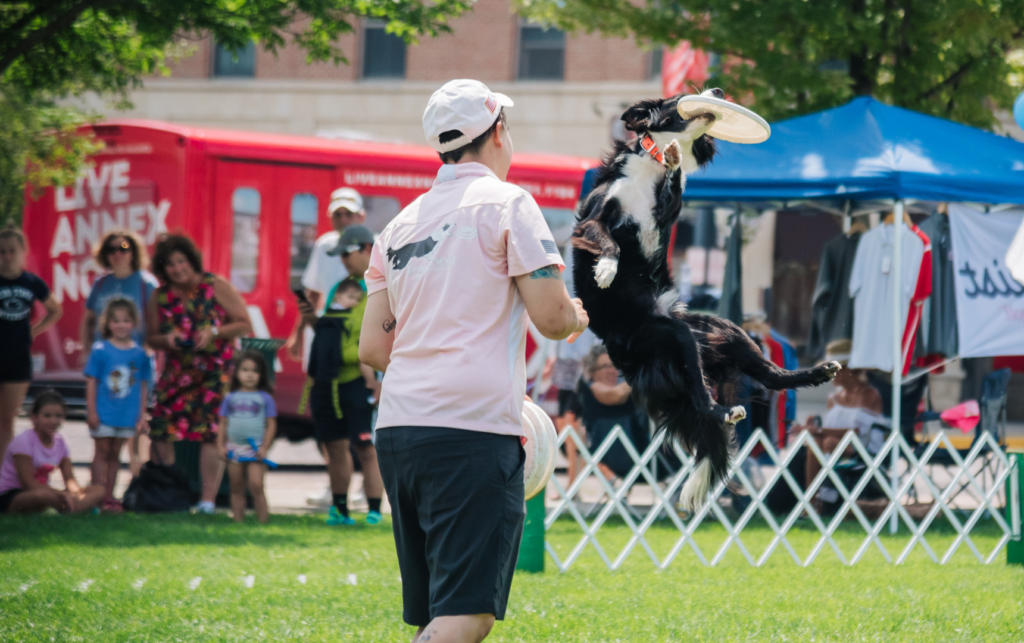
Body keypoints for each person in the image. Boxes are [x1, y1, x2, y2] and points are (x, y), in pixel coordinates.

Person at [359, 79, 588, 643]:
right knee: (468, 613)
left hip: (399, 430)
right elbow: (554, 320)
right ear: (498, 132)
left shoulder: (397, 226)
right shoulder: (510, 204)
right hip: (471, 429)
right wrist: (579, 314)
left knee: (437, 609)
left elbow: (373, 349)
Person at [146, 233, 253, 514]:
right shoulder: (160, 295)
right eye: (170, 264)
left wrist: (214, 331)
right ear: (162, 269)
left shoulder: (215, 285)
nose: (177, 268)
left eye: (181, 261)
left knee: (210, 434)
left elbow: (244, 323)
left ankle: (207, 501)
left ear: (191, 260)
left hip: (215, 374)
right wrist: (167, 339)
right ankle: (170, 494)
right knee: (161, 430)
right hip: (176, 373)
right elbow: (151, 337)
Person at [299, 226, 384, 526]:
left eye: (346, 254)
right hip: (330, 381)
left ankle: (375, 512)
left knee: (366, 448)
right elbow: (329, 330)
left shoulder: (385, 284)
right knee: (334, 447)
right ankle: (340, 510)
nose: (344, 261)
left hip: (362, 382)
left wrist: (382, 380)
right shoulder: (340, 286)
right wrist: (309, 319)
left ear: (365, 248)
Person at [0, 227, 62, 463]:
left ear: (22, 251)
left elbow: (55, 309)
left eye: (12, 251)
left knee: (7, 419)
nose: (7, 256)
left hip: (18, 358)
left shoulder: (31, 282)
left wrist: (33, 330)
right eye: (2, 252)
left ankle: (2, 471)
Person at [83, 298, 151, 512]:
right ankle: (95, 497)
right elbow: (91, 382)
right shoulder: (100, 349)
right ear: (107, 323)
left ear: (134, 323)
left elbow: (142, 385)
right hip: (103, 413)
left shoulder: (140, 354)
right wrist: (92, 411)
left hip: (126, 415)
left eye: (126, 320)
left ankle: (109, 497)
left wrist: (142, 415)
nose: (121, 325)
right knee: (101, 453)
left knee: (115, 455)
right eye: (116, 320)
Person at [287, 187, 366, 362]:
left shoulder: (375, 247)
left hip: (360, 335)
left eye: (349, 214)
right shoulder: (324, 246)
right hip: (329, 332)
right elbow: (312, 295)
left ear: (361, 217)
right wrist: (298, 333)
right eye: (338, 214)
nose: (343, 219)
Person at [0, 391, 104, 514]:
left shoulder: (62, 441)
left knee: (99, 489)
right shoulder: (23, 441)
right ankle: (75, 508)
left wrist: (75, 492)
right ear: (34, 417)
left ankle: (69, 507)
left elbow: (69, 478)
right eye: (47, 416)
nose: (53, 421)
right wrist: (61, 494)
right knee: (42, 496)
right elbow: (28, 483)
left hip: (47, 491)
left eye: (58, 416)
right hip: (15, 494)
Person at [217, 350, 277, 524]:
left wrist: (265, 447)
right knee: (236, 486)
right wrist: (221, 445)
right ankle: (238, 521)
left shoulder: (265, 398)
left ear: (262, 375)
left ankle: (263, 521)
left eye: (255, 371)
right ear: (236, 372)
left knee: (256, 485)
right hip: (234, 448)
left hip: (255, 449)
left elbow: (271, 424)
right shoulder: (230, 398)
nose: (250, 375)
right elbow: (223, 423)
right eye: (245, 369)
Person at [80, 229, 158, 361]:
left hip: (135, 359)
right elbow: (88, 321)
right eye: (111, 249)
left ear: (133, 252)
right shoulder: (100, 283)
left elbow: (155, 324)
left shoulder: (147, 283)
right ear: (105, 254)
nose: (117, 253)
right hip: (104, 359)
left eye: (124, 248)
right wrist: (86, 352)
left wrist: (146, 352)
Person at [578, 344, 650, 481]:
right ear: (592, 372)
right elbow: (616, 394)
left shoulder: (628, 392)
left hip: (637, 454)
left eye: (614, 365)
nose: (612, 370)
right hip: (613, 454)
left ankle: (618, 486)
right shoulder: (590, 390)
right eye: (605, 366)